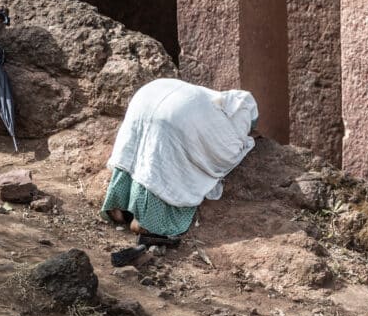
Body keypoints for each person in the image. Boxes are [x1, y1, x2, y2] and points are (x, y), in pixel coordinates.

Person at [101, 78, 258, 237]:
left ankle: (118, 206)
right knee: (156, 168)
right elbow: (224, 157)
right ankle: (145, 221)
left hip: (147, 96)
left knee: (135, 156)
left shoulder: (210, 98)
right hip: (171, 115)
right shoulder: (226, 124)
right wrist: (245, 145)